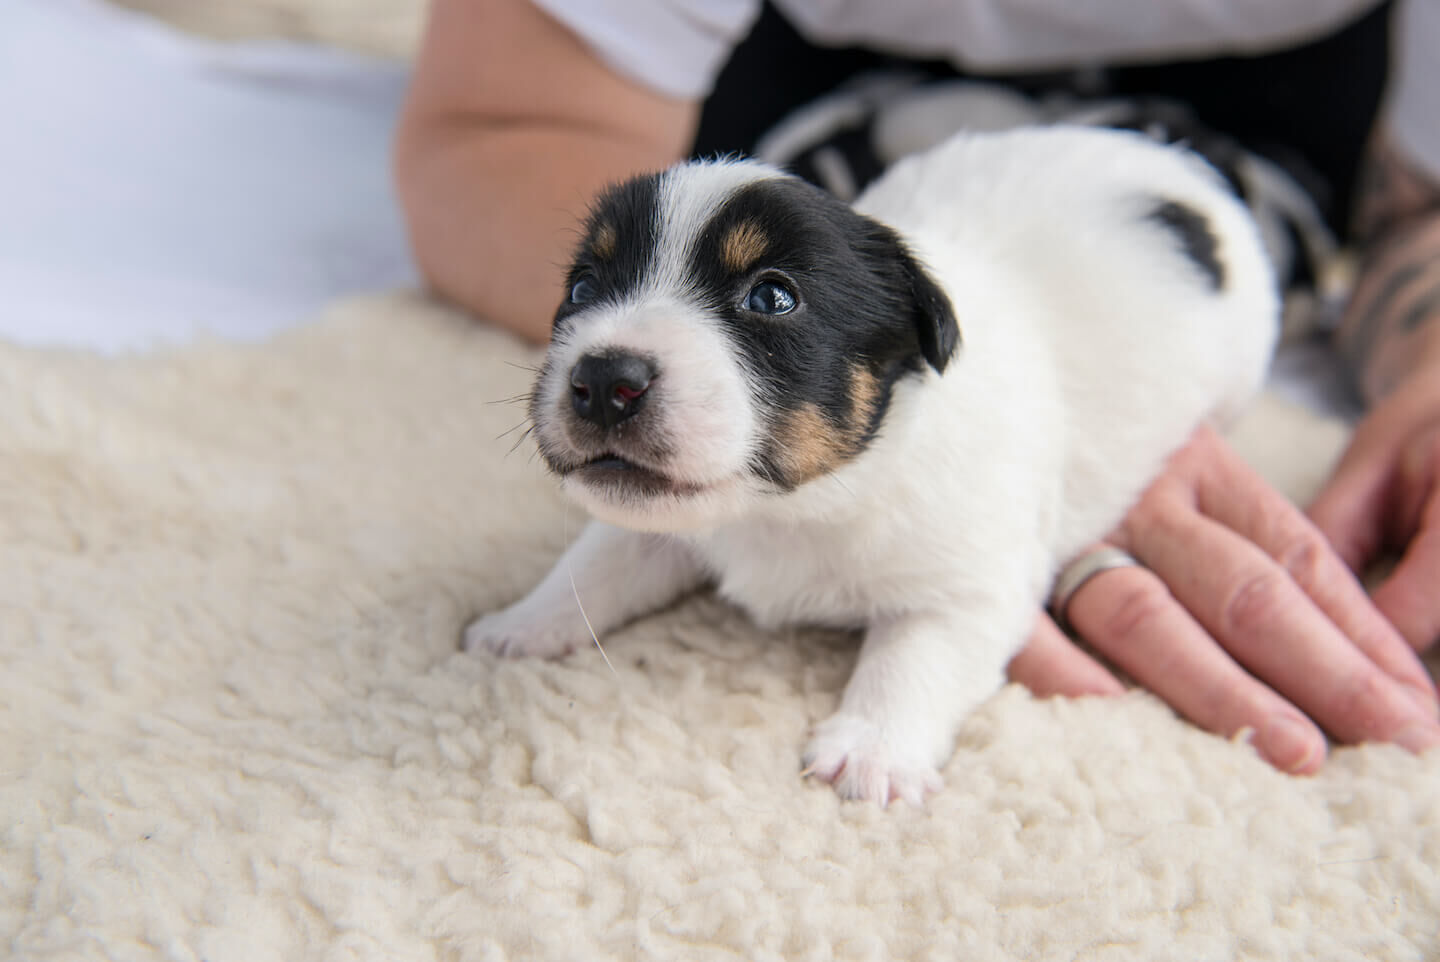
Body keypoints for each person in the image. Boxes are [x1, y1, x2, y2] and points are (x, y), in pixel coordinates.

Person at [394, 0, 1440, 772]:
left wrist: (895, 718)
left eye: (763, 303)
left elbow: (966, 595)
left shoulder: (954, 435)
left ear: (911, 356)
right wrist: (545, 616)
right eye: (592, 286)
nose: (608, 361)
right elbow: (501, 120)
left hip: (1201, 224)